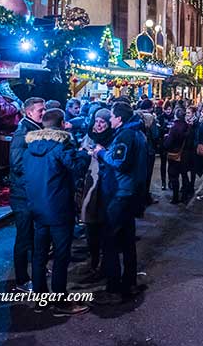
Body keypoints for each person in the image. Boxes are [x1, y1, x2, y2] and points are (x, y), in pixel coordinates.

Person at [22, 109, 89, 316]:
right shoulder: (61, 146)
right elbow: (76, 167)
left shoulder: (30, 148)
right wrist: (84, 153)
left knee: (40, 254)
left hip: (37, 207)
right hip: (59, 208)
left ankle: (41, 298)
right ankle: (60, 300)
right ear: (61, 124)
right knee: (61, 255)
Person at [93, 102, 148, 304]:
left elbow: (119, 162)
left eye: (113, 116)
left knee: (110, 240)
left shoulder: (126, 135)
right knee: (127, 240)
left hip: (120, 192)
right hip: (131, 192)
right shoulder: (137, 133)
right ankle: (129, 282)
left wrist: (100, 152)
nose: (110, 120)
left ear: (120, 118)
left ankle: (113, 288)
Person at [8, 97, 45, 293]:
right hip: (23, 194)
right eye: (40, 110)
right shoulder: (23, 133)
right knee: (23, 236)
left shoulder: (34, 129)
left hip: (32, 192)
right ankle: (22, 279)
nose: (44, 112)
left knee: (35, 234)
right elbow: (17, 164)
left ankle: (37, 269)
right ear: (29, 112)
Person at [75, 108, 113, 283]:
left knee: (104, 226)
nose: (98, 125)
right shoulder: (89, 135)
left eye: (102, 122)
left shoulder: (112, 139)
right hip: (89, 184)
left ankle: (104, 264)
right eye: (97, 121)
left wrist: (99, 153)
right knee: (90, 223)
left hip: (103, 185)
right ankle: (94, 259)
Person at [163, 107, 193, 204]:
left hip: (174, 156)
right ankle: (184, 196)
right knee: (184, 175)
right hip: (186, 155)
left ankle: (175, 197)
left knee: (174, 177)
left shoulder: (174, 128)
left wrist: (166, 139)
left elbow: (168, 144)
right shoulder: (188, 127)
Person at [135, 100, 161, 205]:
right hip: (149, 149)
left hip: (137, 149)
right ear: (150, 107)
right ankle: (145, 197)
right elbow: (155, 135)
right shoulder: (151, 118)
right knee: (147, 174)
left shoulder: (135, 115)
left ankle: (138, 197)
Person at [157, 102, 174, 191]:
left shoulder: (174, 117)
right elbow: (158, 130)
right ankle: (163, 182)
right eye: (166, 109)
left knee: (171, 164)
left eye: (169, 109)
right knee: (163, 164)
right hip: (163, 143)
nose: (168, 111)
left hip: (171, 144)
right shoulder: (160, 117)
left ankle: (171, 181)